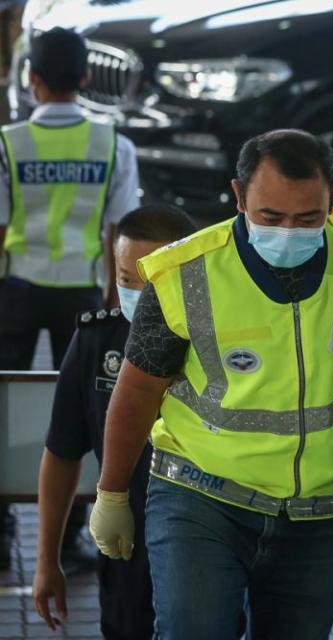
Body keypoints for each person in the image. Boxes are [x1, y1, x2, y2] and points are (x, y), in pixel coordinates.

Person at [88, 130, 333, 639]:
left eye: (308, 218)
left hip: (319, 514)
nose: (288, 232)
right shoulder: (185, 275)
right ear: (238, 196)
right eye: (270, 217)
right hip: (201, 500)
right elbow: (137, 391)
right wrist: (112, 494)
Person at [0, 27, 140, 571]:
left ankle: (1, 531)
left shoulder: (9, 144)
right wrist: (112, 302)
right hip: (85, 294)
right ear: (85, 78)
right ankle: (72, 540)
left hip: (14, 292)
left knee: (5, 409)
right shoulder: (112, 146)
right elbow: (119, 233)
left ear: (31, 79)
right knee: (86, 414)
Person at [32, 204, 197, 639]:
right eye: (128, 280)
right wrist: (48, 559)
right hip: (125, 548)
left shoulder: (222, 344)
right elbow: (62, 452)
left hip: (206, 547)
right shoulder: (96, 343)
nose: (140, 295)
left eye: (155, 282)